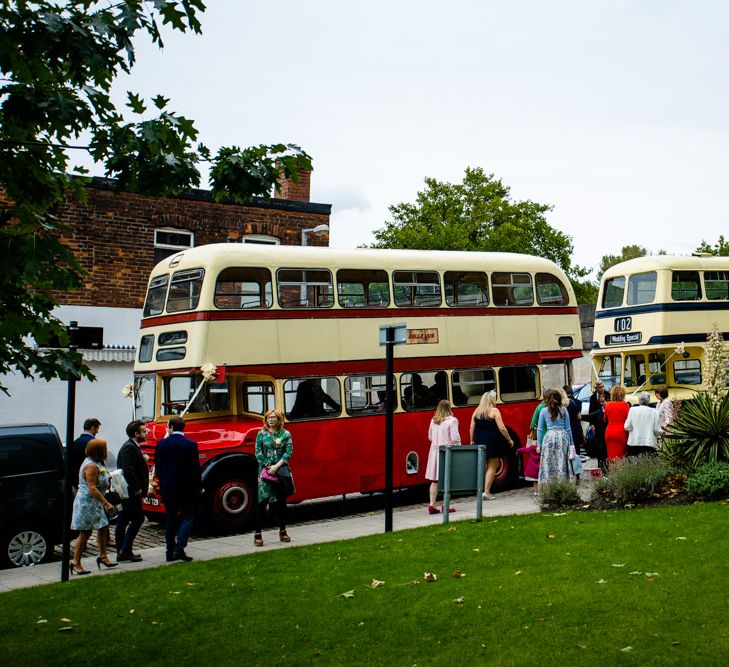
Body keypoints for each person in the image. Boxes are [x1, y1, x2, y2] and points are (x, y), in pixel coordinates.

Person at [155, 415, 202, 562]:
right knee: (188, 516)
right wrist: (198, 487)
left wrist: (162, 483)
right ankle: (179, 547)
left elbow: (159, 468)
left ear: (171, 427)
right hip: (186, 487)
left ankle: (170, 551)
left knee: (170, 518)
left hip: (168, 487)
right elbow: (195, 469)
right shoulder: (191, 444)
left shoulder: (161, 444)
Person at [70, 438, 118, 574]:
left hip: (95, 502)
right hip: (87, 502)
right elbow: (92, 487)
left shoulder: (96, 462)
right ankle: (75, 562)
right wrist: (106, 503)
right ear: (99, 451)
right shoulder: (91, 466)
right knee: (85, 533)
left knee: (103, 527)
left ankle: (103, 556)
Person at [254, 409, 293, 546]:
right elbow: (258, 453)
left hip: (280, 471)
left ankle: (283, 531)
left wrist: (276, 467)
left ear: (279, 419)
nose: (271, 420)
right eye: (268, 418)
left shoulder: (286, 434)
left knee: (281, 503)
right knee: (262, 502)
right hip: (265, 473)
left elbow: (288, 453)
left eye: (273, 417)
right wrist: (268, 466)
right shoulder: (261, 434)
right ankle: (258, 534)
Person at [115, 420, 150, 562]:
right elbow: (128, 470)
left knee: (123, 520)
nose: (146, 433)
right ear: (136, 434)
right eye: (143, 431)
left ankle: (123, 551)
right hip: (130, 492)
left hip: (128, 491)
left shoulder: (132, 446)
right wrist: (137, 488)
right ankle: (125, 549)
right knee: (138, 518)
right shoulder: (129, 447)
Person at [470, 390, 514, 500]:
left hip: (479, 439)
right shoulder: (494, 411)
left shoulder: (477, 411)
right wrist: (509, 439)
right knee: (493, 465)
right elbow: (502, 428)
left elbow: (471, 427)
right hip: (492, 440)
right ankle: (487, 492)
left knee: (483, 465)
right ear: (492, 400)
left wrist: (471, 440)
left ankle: (481, 490)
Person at [425, 400, 461, 514]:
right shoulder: (452, 421)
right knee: (447, 480)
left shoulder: (433, 420)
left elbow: (430, 437)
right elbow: (455, 439)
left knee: (435, 480)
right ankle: (446, 505)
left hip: (434, 452)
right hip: (446, 452)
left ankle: (432, 505)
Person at [536, 389, 573, 485]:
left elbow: (539, 429)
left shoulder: (543, 411)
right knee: (562, 461)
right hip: (563, 437)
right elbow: (568, 428)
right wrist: (572, 444)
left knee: (548, 462)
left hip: (549, 437)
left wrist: (539, 445)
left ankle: (549, 484)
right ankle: (562, 484)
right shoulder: (564, 410)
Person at [624, 392, 662, 457]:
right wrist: (662, 432)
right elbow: (657, 430)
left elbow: (627, 427)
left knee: (633, 466)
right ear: (649, 401)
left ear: (639, 400)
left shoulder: (632, 410)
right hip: (649, 443)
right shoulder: (654, 412)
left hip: (634, 443)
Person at [70, 418, 101, 489]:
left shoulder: (75, 442)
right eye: (97, 429)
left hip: (77, 480)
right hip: (91, 480)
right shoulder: (94, 443)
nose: (97, 432)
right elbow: (99, 462)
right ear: (92, 428)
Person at [604, 385, 630, 460]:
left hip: (609, 432)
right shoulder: (625, 405)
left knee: (611, 457)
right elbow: (629, 419)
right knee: (621, 457)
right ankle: (619, 471)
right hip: (621, 433)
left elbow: (604, 419)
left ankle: (611, 471)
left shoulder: (608, 405)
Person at [587, 391, 609, 475]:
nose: (602, 403)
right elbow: (590, 417)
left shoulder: (610, 410)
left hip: (608, 435)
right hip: (600, 436)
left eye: (603, 401)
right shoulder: (598, 412)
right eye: (600, 402)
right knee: (600, 456)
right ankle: (602, 472)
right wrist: (592, 424)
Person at [563, 385, 585, 455]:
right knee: (577, 453)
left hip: (566, 430)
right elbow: (579, 418)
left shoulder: (562, 404)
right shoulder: (578, 402)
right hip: (576, 429)